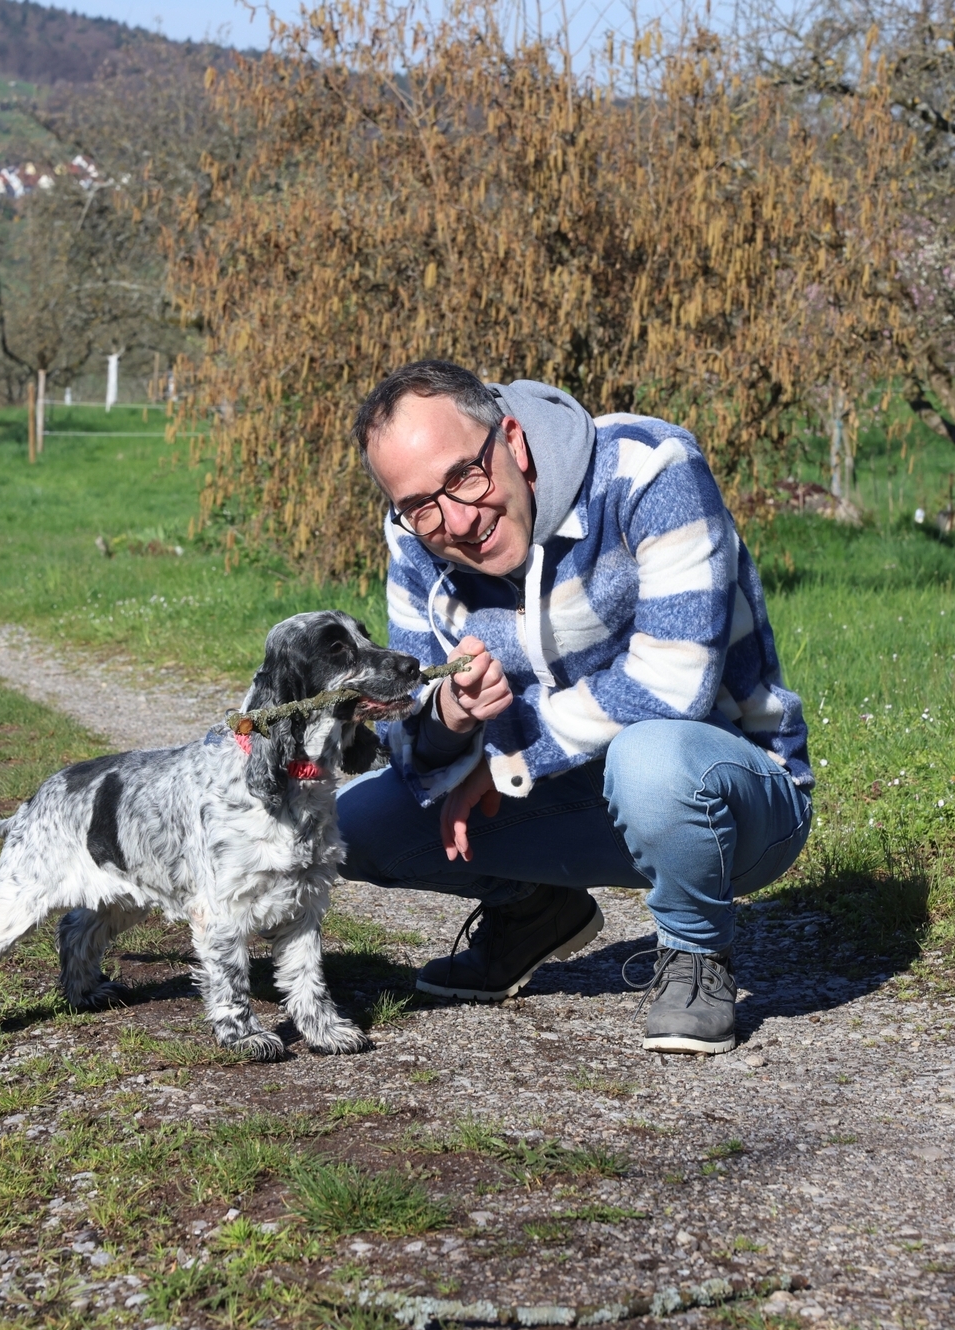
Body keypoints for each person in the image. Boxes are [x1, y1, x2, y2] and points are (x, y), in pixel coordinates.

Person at [337, 360, 814, 1054]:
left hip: (731, 799)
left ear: (512, 439)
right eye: (420, 505)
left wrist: (510, 763)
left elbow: (674, 680)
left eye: (465, 476)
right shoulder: (416, 541)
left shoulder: (649, 467)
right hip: (564, 795)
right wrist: (451, 717)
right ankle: (533, 908)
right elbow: (408, 732)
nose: (457, 521)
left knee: (649, 758)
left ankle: (695, 951)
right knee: (345, 827)